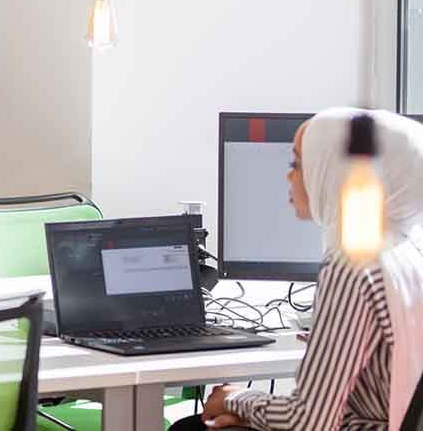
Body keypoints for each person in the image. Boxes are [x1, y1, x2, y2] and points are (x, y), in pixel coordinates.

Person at [172, 108, 423, 431]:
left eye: (297, 164)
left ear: (338, 172)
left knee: (194, 427)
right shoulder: (407, 251)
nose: (288, 176)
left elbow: (310, 420)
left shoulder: (353, 264)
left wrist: (237, 399)